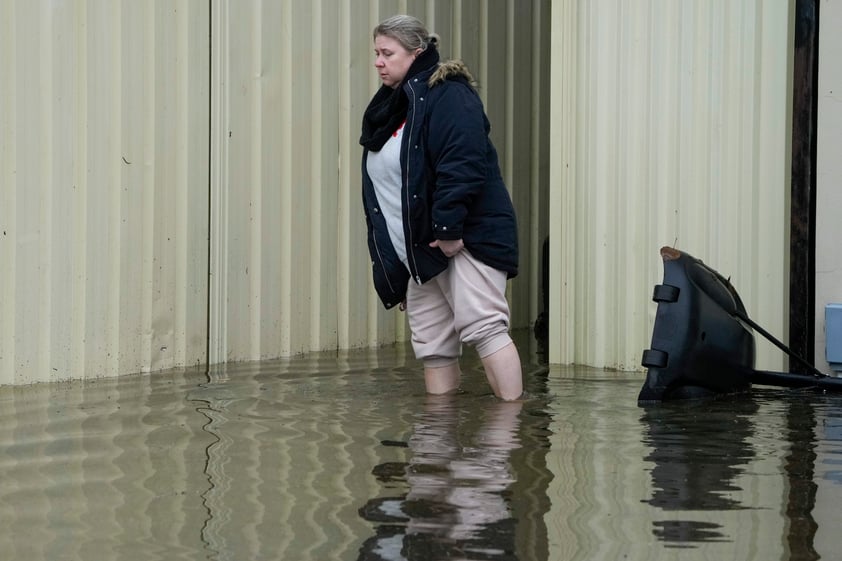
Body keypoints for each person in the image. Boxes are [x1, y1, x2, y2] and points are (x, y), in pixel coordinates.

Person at [359, 15, 523, 401]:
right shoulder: (395, 109)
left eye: (387, 53)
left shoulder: (449, 94)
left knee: (484, 327)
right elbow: (387, 197)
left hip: (463, 239)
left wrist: (449, 231)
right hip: (421, 251)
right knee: (431, 343)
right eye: (376, 54)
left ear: (417, 53)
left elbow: (463, 163)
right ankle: (436, 445)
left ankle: (508, 433)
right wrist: (397, 267)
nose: (378, 62)